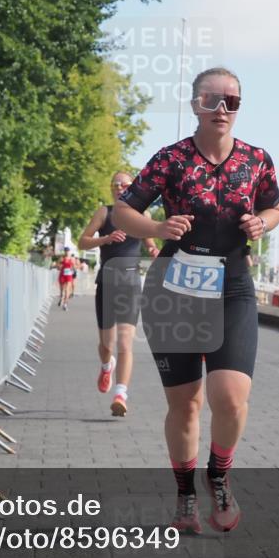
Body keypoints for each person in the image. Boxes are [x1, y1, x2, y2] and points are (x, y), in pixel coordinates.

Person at [113, 67, 279, 534]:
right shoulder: (170, 160)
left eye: (234, 101)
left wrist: (262, 224)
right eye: (214, 100)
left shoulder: (256, 159)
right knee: (186, 403)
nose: (224, 109)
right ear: (194, 105)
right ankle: (186, 494)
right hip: (174, 289)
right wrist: (156, 228)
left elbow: (275, 205)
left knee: (230, 397)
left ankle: (219, 475)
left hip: (232, 287)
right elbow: (124, 210)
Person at [77, 172, 160, 417]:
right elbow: (83, 242)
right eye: (115, 184)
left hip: (131, 283)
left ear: (132, 188)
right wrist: (106, 238)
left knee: (125, 342)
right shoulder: (105, 212)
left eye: (124, 184)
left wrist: (155, 250)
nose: (120, 187)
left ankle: (121, 394)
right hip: (107, 282)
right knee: (106, 344)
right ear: (112, 189)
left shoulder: (141, 214)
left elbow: (150, 241)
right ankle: (106, 365)